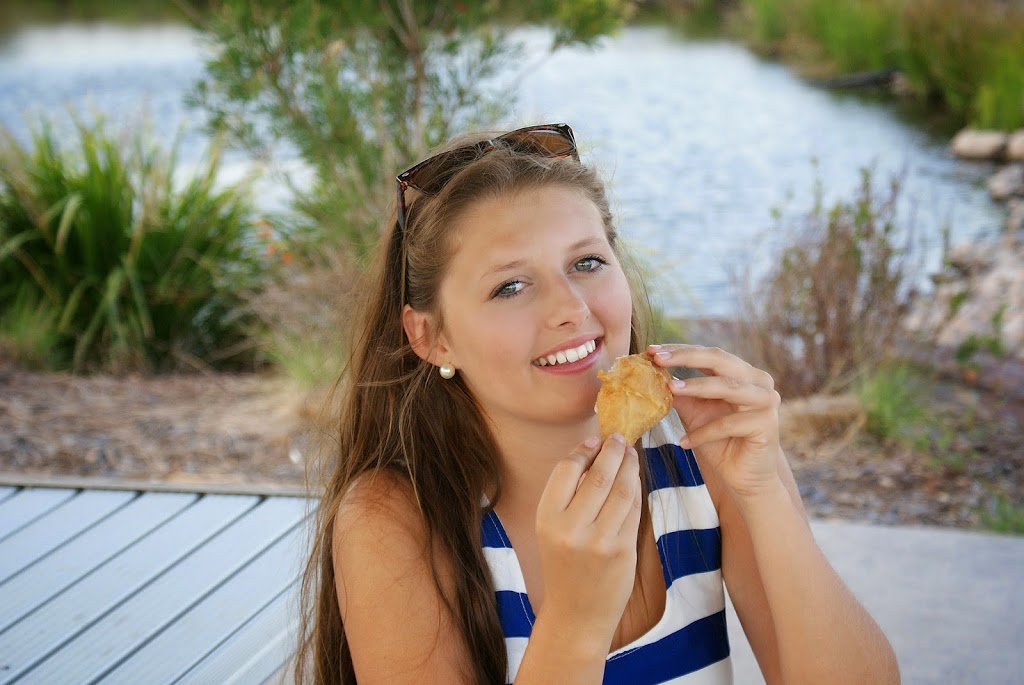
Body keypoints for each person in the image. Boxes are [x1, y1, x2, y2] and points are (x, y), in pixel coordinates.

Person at [294, 123, 900, 684]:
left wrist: (766, 497)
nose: (573, 308)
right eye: (511, 285)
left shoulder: (703, 455)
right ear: (430, 336)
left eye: (586, 262)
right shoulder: (396, 520)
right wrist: (576, 620)